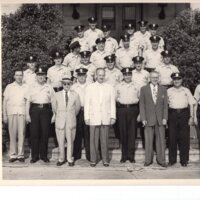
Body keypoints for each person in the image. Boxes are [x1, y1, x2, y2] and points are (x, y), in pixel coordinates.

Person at [84, 68, 116, 167]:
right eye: (99, 75)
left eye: (103, 75)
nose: (101, 77)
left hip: (105, 117)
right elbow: (87, 104)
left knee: (105, 140)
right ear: (96, 76)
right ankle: (93, 160)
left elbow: (112, 103)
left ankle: (105, 159)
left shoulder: (110, 87)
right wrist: (86, 117)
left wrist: (113, 116)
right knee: (93, 140)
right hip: (93, 117)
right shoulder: (90, 87)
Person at [25, 67, 54, 163]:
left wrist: (54, 114)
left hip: (46, 111)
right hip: (34, 110)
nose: (41, 77)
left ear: (45, 76)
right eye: (39, 75)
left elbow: (53, 101)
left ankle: (44, 156)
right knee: (34, 133)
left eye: (42, 75)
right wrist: (27, 115)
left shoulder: (49, 86)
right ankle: (34, 156)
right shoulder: (31, 87)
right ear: (36, 76)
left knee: (45, 133)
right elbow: (28, 101)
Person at [139, 71, 168, 167]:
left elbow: (165, 106)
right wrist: (143, 118)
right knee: (148, 140)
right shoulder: (144, 89)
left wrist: (165, 117)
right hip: (148, 118)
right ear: (149, 78)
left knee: (161, 140)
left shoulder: (163, 89)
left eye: (156, 77)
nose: (155, 79)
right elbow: (142, 105)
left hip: (160, 119)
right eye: (153, 77)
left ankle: (161, 160)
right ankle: (148, 160)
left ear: (158, 78)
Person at [167, 72, 196, 167]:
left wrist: (191, 117)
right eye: (175, 79)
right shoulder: (169, 91)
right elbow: (165, 105)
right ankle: (172, 160)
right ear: (172, 80)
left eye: (178, 79)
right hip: (172, 114)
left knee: (184, 138)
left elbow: (191, 103)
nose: (177, 81)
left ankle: (184, 160)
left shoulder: (186, 90)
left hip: (184, 114)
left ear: (181, 80)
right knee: (172, 137)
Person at [52, 75, 81, 166]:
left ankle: (69, 158)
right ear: (62, 84)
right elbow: (54, 108)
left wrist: (71, 115)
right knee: (60, 141)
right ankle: (61, 158)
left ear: (71, 84)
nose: (66, 85)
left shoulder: (75, 95)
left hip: (70, 121)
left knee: (70, 141)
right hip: (60, 121)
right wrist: (61, 115)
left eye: (68, 84)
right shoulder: (56, 95)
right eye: (64, 84)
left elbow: (77, 108)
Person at [3, 69, 28, 163]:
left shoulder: (26, 87)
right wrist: (4, 115)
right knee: (12, 134)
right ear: (14, 76)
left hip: (22, 112)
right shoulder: (9, 87)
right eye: (17, 75)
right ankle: (13, 155)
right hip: (11, 112)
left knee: (21, 134)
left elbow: (28, 102)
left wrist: (27, 115)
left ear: (23, 76)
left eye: (20, 75)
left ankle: (20, 155)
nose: (19, 77)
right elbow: (4, 101)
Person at [116, 68, 140, 163]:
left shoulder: (137, 86)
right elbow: (114, 99)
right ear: (123, 75)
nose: (127, 76)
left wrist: (140, 113)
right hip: (121, 110)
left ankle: (131, 156)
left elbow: (140, 99)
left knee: (132, 133)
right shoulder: (118, 86)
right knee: (123, 132)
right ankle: (124, 155)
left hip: (133, 109)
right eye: (125, 74)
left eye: (129, 74)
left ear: (131, 75)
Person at [71, 68, 90, 161]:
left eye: (83, 75)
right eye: (80, 75)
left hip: (88, 111)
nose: (81, 77)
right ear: (77, 76)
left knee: (88, 134)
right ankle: (76, 154)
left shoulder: (90, 86)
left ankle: (89, 155)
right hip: (77, 112)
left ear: (86, 76)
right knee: (77, 133)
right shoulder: (73, 87)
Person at [131, 56, 150, 148]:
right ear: (134, 64)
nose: (138, 65)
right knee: (134, 122)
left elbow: (149, 85)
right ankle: (133, 143)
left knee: (144, 120)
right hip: (134, 98)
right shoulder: (131, 73)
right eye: (136, 63)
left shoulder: (146, 73)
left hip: (144, 98)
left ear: (142, 64)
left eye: (140, 63)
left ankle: (145, 142)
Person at [104, 54, 123, 140]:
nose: (110, 63)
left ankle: (118, 137)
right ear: (106, 63)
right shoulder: (103, 72)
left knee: (117, 118)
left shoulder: (118, 72)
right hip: (105, 97)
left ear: (114, 62)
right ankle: (106, 137)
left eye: (111, 62)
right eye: (108, 62)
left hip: (115, 97)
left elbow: (121, 84)